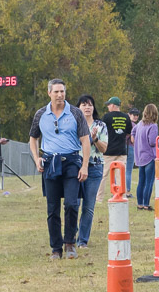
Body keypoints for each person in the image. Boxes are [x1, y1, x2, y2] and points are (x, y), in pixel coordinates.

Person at [28, 78, 91, 259]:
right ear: (49, 93)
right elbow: (33, 138)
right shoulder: (41, 114)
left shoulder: (76, 113)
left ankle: (70, 243)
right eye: (56, 91)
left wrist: (85, 165)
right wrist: (36, 158)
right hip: (50, 162)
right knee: (52, 207)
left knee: (72, 204)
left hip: (71, 161)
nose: (59, 95)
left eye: (62, 91)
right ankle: (56, 248)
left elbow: (85, 140)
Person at [75, 94, 107, 249]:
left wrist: (94, 139)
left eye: (90, 105)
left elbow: (104, 149)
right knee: (73, 203)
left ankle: (82, 240)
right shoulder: (73, 124)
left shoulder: (100, 125)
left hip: (95, 168)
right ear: (78, 107)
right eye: (83, 104)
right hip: (75, 167)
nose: (87, 107)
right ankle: (71, 234)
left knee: (88, 206)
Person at [99, 96, 131, 204]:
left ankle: (99, 198)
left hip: (108, 151)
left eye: (108, 105)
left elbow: (101, 131)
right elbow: (128, 132)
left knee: (103, 175)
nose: (108, 107)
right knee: (121, 175)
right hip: (122, 150)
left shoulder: (107, 117)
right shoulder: (126, 117)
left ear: (112, 105)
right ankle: (122, 196)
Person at [134, 104, 159, 210]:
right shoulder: (153, 126)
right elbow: (152, 142)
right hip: (150, 156)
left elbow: (133, 132)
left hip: (140, 156)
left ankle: (139, 203)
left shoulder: (139, 124)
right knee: (149, 182)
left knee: (141, 181)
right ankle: (146, 204)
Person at [125, 107, 141, 196]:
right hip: (130, 147)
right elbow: (133, 139)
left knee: (118, 170)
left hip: (120, 148)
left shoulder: (122, 123)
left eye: (137, 115)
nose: (135, 117)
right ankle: (127, 191)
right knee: (128, 170)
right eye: (134, 115)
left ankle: (116, 190)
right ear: (129, 115)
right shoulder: (134, 126)